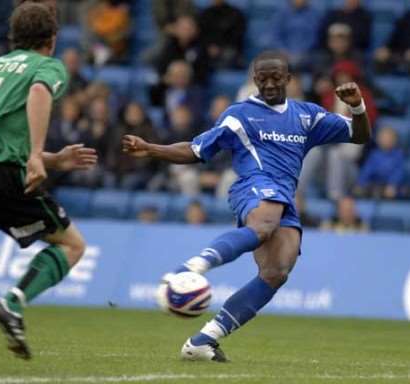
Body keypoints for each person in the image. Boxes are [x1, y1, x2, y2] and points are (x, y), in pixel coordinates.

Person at [122, 51, 371, 361]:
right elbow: (196, 150)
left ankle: (203, 341)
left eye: (275, 78)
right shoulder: (239, 115)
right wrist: (151, 149)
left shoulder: (308, 115)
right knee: (265, 224)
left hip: (284, 197)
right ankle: (191, 268)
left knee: (277, 271)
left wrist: (357, 106)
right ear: (254, 80)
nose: (268, 84)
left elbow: (359, 135)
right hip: (252, 186)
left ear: (288, 80)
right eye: (262, 78)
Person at [0, 3, 98, 359]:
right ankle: (12, 303)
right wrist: (38, 154)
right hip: (4, 179)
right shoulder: (46, 66)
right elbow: (39, 92)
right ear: (52, 39)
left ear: (13, 36)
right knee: (72, 245)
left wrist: (53, 158)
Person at [355, 126, 405, 199]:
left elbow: (399, 172)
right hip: (374, 186)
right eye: (382, 137)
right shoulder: (374, 155)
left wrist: (392, 184)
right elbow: (366, 171)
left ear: (394, 140)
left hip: (393, 187)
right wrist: (360, 183)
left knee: (392, 191)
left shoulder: (398, 155)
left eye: (388, 138)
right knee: (359, 190)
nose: (385, 140)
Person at [198, 0, 246, 69]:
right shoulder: (205, 14)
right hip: (207, 49)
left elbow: (237, 35)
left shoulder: (235, 13)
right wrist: (208, 46)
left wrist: (220, 47)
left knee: (228, 55)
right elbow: (201, 35)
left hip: (228, 48)